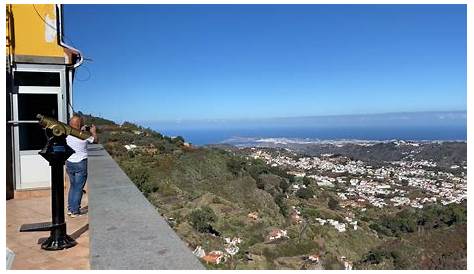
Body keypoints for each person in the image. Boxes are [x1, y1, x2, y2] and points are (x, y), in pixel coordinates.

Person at [65, 115, 98, 217]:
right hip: (80, 163)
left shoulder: (66, 133)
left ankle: (70, 209)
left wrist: (80, 128)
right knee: (78, 188)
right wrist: (93, 132)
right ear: (80, 124)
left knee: (73, 186)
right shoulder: (83, 135)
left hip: (69, 163)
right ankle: (75, 211)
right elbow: (95, 140)